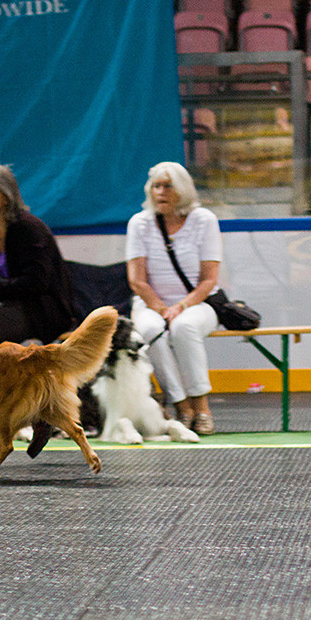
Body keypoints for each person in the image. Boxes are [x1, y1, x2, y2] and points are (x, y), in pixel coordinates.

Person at [125, 161, 221, 436]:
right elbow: (136, 280)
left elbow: (209, 280)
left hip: (197, 302)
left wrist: (181, 306)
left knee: (184, 327)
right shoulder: (139, 223)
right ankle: (181, 405)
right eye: (156, 186)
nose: (160, 192)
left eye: (167, 186)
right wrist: (160, 307)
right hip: (150, 303)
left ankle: (201, 406)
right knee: (150, 329)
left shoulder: (204, 220)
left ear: (183, 190)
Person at [0, 164, 74, 344]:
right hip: (6, 305)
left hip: (38, 312)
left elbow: (36, 283)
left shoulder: (29, 229)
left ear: (5, 196)